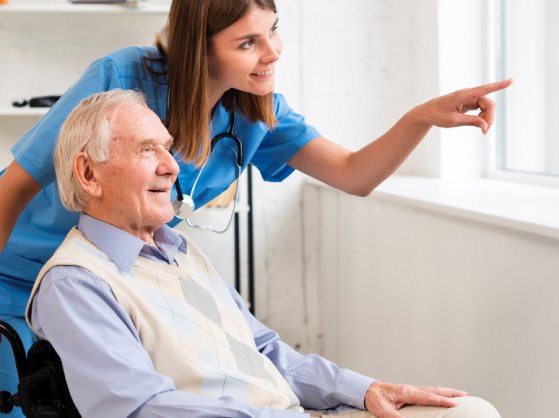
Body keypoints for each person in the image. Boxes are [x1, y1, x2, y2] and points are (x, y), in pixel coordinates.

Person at [0, 0, 511, 416]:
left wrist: (419, 119)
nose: (272, 53)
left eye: (273, 32)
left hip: (126, 278)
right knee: (11, 409)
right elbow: (10, 188)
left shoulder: (256, 109)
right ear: (199, 47)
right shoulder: (123, 80)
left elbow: (353, 173)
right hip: (7, 273)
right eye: (248, 42)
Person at [27, 89, 501, 418]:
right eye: (147, 150)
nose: (172, 167)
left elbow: (266, 351)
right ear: (89, 175)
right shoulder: (76, 283)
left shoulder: (180, 249)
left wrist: (366, 390)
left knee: (469, 411)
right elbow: (138, 409)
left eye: (168, 148)